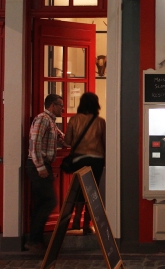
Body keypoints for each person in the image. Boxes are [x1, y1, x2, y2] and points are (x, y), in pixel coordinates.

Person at [25, 93, 67, 253]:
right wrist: (40, 167)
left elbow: (62, 138)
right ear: (52, 106)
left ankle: (35, 240)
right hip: (38, 165)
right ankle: (34, 240)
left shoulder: (51, 122)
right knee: (49, 201)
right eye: (60, 105)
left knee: (41, 203)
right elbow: (34, 144)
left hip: (42, 164)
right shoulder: (43, 119)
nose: (63, 108)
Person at [64, 92, 106, 234]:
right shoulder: (100, 122)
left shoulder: (74, 120)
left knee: (79, 189)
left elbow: (68, 141)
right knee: (92, 190)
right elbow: (105, 143)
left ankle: (76, 219)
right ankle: (87, 223)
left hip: (78, 159)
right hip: (97, 160)